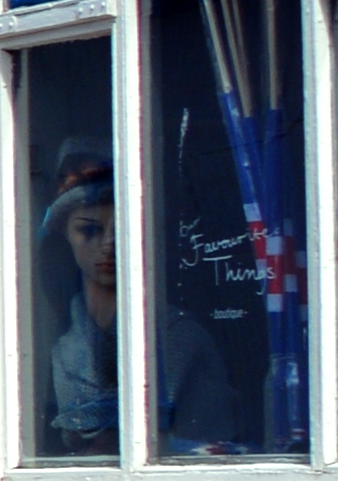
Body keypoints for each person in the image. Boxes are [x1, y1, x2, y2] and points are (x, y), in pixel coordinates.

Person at [37, 155, 234, 456]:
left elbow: (211, 443)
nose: (108, 244)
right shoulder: (57, 351)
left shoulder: (184, 341)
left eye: (122, 230)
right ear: (66, 237)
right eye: (89, 231)